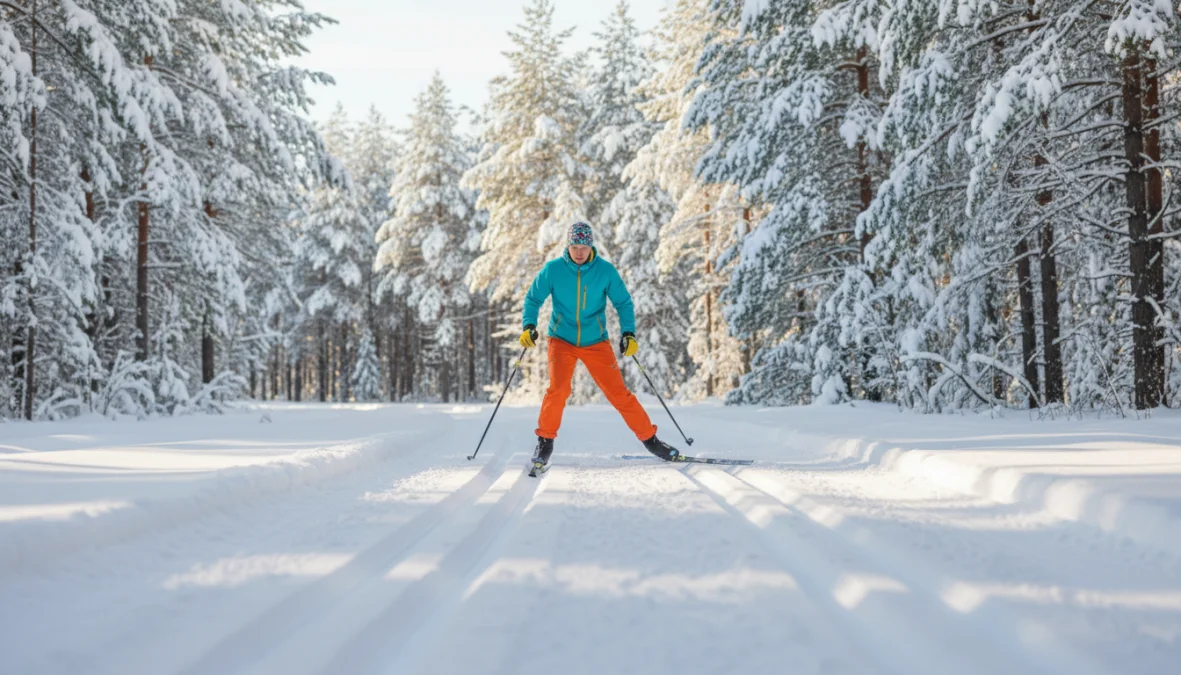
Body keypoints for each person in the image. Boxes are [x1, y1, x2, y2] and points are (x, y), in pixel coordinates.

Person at [519, 221, 681, 475]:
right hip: (561, 339)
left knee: (619, 394)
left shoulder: (605, 271)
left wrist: (628, 333)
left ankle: (651, 441)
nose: (580, 252)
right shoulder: (553, 270)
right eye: (575, 246)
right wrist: (529, 325)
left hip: (596, 342)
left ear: (591, 246)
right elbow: (533, 299)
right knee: (558, 390)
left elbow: (624, 303)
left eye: (584, 246)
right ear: (568, 245)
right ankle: (544, 443)